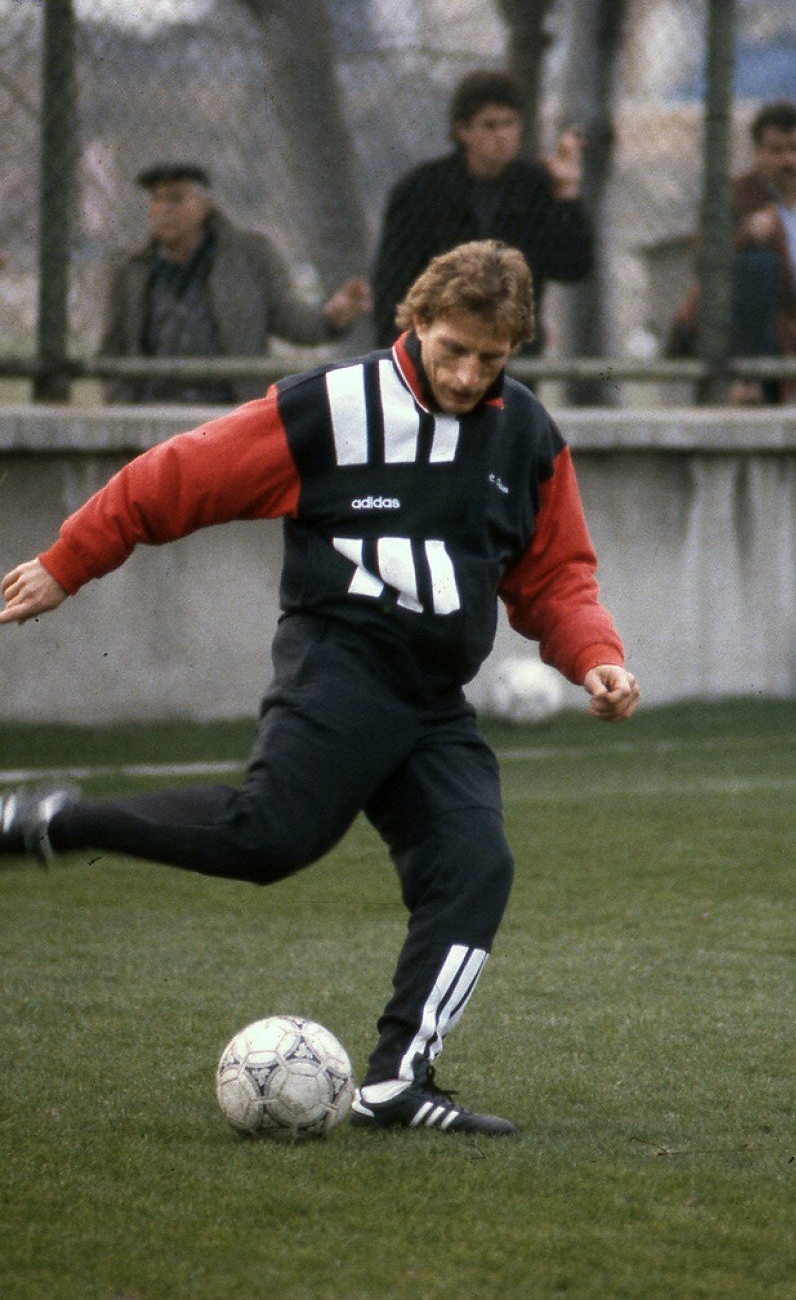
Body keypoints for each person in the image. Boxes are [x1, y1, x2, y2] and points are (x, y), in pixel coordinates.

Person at [0, 240, 639, 1137]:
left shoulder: (526, 434)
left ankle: (396, 1082)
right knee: (270, 839)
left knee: (475, 864)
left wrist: (594, 654)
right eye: (450, 348)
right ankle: (52, 821)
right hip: (341, 665)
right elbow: (176, 476)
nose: (465, 374)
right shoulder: (332, 407)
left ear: (515, 348)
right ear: (414, 322)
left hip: (431, 698)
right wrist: (70, 563)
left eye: (488, 359)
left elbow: (555, 575)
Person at [100, 162, 372, 404]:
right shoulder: (131, 269)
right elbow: (114, 346)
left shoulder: (248, 257)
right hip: (153, 406)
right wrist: (119, 401)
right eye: (156, 199)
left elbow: (289, 319)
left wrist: (332, 317)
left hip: (227, 407)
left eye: (176, 199)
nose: (163, 210)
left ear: (204, 206)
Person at [370, 70, 593, 354]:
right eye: (489, 126)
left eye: (509, 124)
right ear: (464, 131)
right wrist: (404, 352)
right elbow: (394, 283)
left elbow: (572, 267)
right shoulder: (422, 191)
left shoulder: (534, 188)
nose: (501, 136)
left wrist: (566, 194)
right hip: (441, 349)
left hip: (510, 351)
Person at [668, 101, 796, 404]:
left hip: (784, 339)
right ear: (758, 153)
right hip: (724, 330)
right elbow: (703, 262)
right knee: (759, 264)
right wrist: (746, 235)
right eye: (776, 151)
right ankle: (746, 380)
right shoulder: (733, 194)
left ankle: (756, 381)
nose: (788, 161)